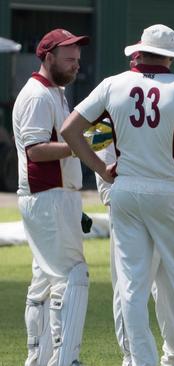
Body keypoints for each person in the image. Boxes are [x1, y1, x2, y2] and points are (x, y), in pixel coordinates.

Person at [61, 24, 174, 366]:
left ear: (138, 51)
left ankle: (141, 361)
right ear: (170, 56)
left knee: (131, 287)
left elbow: (70, 131)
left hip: (125, 189)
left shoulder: (112, 84)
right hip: (166, 187)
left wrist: (100, 167)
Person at [94, 51, 174, 366]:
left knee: (151, 283)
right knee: (138, 285)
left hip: (154, 198)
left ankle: (169, 356)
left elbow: (95, 141)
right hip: (153, 199)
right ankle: (141, 357)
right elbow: (99, 142)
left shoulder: (117, 90)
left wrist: (108, 189)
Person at [12, 28, 90, 366]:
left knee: (44, 280)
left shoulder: (54, 93)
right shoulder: (38, 96)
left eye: (77, 59)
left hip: (55, 197)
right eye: (69, 59)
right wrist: (85, 145)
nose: (76, 65)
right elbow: (36, 150)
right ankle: (65, 359)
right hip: (47, 195)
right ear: (48, 57)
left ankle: (40, 359)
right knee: (73, 276)